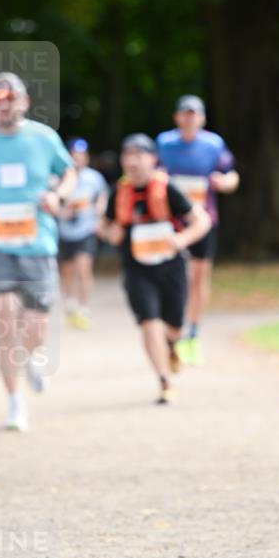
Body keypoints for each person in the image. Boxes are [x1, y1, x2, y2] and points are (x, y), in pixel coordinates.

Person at [0, 72, 76, 431]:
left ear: (24, 102)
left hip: (37, 243)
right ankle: (15, 402)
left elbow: (68, 173)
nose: (4, 106)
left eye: (11, 100)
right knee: (5, 320)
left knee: (35, 327)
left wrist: (57, 195)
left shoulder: (44, 137)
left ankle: (30, 357)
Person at [98, 134, 211, 404]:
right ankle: (164, 381)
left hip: (170, 267)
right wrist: (109, 234)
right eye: (128, 155)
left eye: (139, 155)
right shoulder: (119, 192)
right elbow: (101, 224)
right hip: (136, 269)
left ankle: (172, 345)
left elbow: (202, 220)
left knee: (173, 328)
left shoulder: (167, 188)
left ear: (153, 159)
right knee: (149, 324)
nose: (133, 161)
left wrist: (182, 239)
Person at [157, 95, 239, 365]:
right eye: (185, 114)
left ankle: (193, 334)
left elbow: (231, 175)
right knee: (172, 278)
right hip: (173, 221)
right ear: (177, 117)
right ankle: (173, 331)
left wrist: (224, 182)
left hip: (205, 220)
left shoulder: (213, 145)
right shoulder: (165, 143)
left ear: (202, 119)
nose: (190, 119)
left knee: (199, 278)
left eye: (195, 114)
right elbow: (154, 172)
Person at [58, 137, 109, 330]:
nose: (78, 159)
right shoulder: (59, 177)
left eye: (81, 155)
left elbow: (102, 195)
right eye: (74, 155)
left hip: (86, 231)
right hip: (65, 231)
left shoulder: (94, 178)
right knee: (68, 271)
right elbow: (52, 203)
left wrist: (99, 214)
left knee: (84, 269)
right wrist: (63, 212)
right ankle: (70, 305)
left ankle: (84, 308)